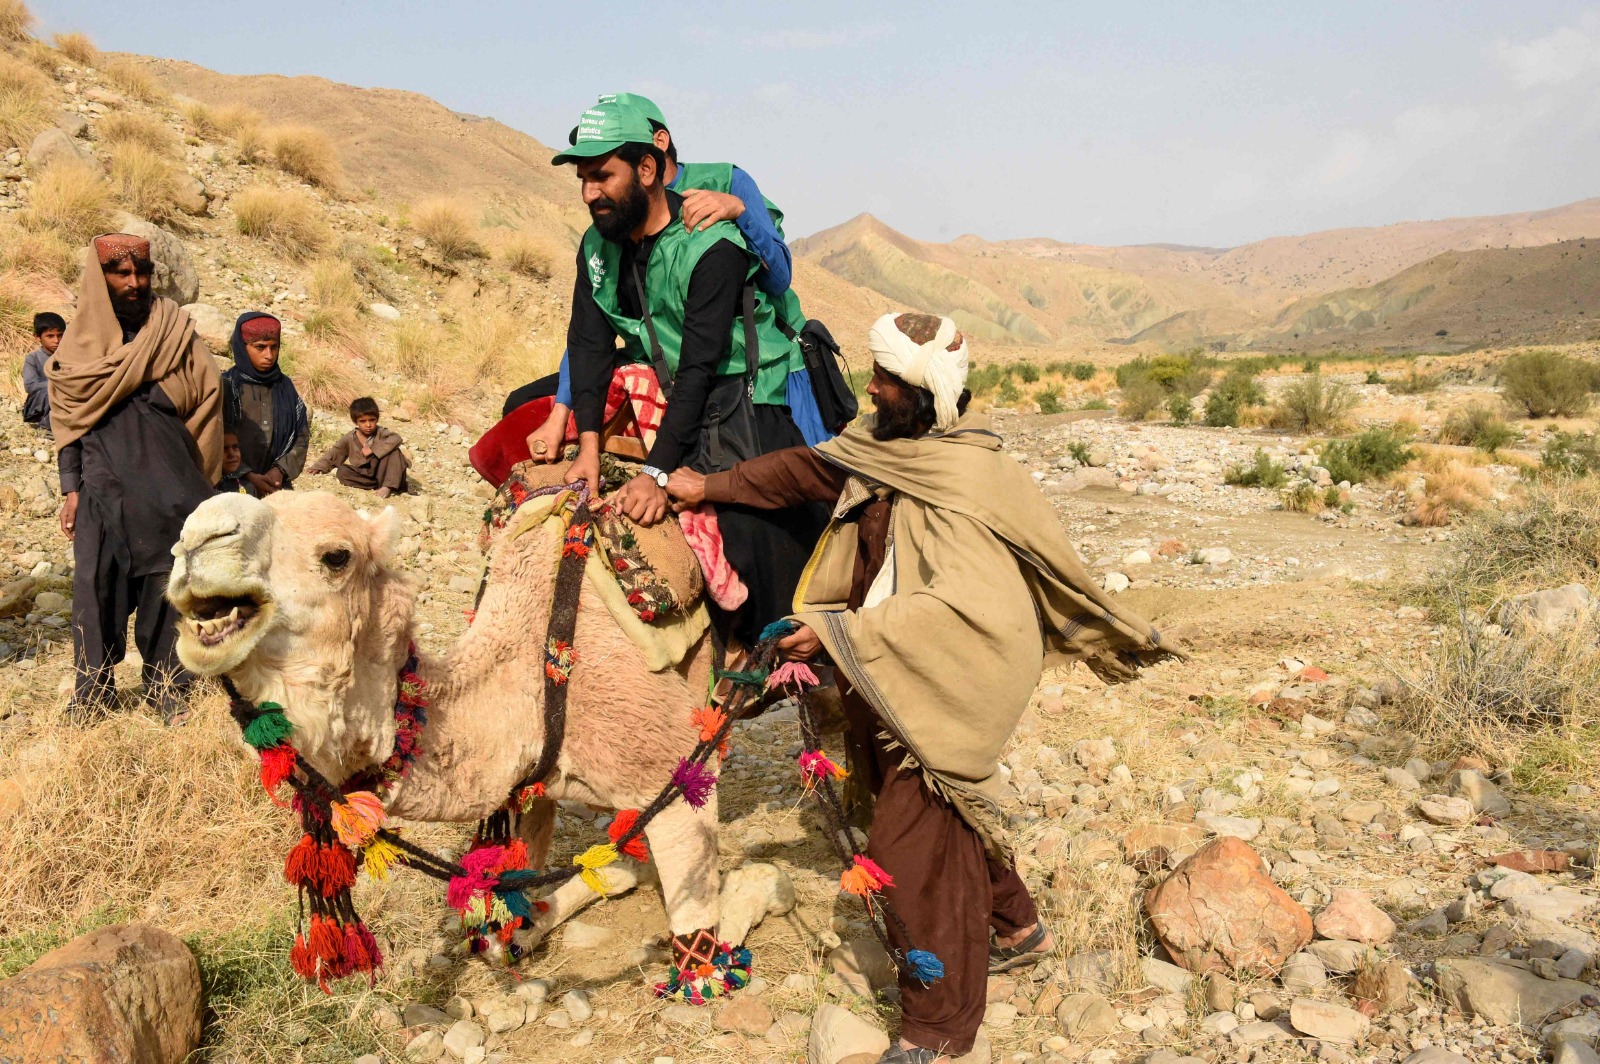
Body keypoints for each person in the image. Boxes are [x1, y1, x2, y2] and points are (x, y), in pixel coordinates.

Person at [667, 313, 1177, 1063]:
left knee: (904, 845)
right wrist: (706, 485)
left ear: (929, 393)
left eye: (887, 381)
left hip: (954, 669)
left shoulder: (967, 477)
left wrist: (836, 634)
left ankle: (939, 1029)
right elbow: (805, 471)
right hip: (887, 663)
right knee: (933, 812)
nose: (869, 387)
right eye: (875, 374)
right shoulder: (886, 447)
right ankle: (1016, 927)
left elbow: (965, 610)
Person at [553, 95, 825, 646]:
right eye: (583, 179)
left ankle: (798, 660)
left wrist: (655, 475)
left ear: (647, 169)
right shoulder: (597, 247)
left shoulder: (710, 240)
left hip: (741, 394)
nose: (589, 193)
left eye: (602, 176)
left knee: (759, 532)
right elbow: (587, 345)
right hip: (673, 383)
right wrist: (586, 446)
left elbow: (702, 364)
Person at [508, 90, 825, 460]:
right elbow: (592, 327)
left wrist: (740, 213)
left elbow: (779, 279)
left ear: (654, 151)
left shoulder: (725, 182)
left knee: (794, 477)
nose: (589, 193)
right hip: (667, 361)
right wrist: (564, 409)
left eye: (603, 168)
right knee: (522, 407)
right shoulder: (621, 224)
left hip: (756, 364)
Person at [47, 234, 222, 723]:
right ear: (100, 281)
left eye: (141, 273)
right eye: (121, 274)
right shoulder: (80, 342)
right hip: (102, 492)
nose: (134, 283)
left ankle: (168, 689)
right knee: (94, 592)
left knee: (168, 595)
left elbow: (207, 400)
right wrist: (71, 488)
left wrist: (201, 483)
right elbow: (69, 420)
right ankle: (92, 695)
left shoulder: (172, 331)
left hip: (172, 490)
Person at [221, 311, 309, 496]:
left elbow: (300, 436)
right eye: (260, 347)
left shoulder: (285, 388)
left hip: (276, 485)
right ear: (243, 347)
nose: (269, 355)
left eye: (273, 347)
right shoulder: (226, 386)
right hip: (232, 485)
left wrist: (280, 470)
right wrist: (249, 475)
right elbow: (214, 438)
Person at [308, 396, 409, 498]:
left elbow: (396, 438)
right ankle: (375, 485)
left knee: (394, 451)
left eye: (372, 420)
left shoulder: (381, 432)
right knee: (342, 471)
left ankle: (388, 486)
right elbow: (335, 451)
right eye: (363, 421)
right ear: (356, 422)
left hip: (384, 471)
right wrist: (319, 466)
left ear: (377, 419)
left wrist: (373, 450)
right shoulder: (350, 437)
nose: (368, 425)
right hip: (365, 474)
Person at [22, 311, 65, 430]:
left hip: (65, 400)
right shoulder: (33, 359)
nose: (56, 340)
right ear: (37, 337)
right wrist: (59, 383)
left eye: (60, 335)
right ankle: (48, 426)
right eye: (50, 336)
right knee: (49, 393)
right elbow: (30, 386)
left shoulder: (68, 357)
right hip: (38, 405)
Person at [217, 430, 254, 495]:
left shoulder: (248, 487)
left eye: (235, 447)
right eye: (224, 448)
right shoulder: (205, 489)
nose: (231, 454)